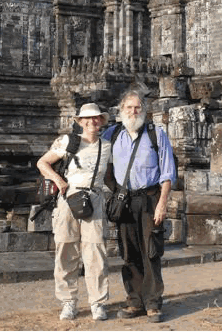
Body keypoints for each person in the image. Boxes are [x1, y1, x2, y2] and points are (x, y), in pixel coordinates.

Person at [103, 90, 176, 323]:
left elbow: (167, 172)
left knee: (151, 251)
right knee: (129, 251)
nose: (133, 111)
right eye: (129, 107)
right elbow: (94, 153)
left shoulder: (156, 134)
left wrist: (162, 203)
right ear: (121, 110)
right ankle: (134, 300)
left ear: (144, 110)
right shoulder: (112, 135)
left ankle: (153, 302)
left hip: (150, 199)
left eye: (137, 107)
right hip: (125, 201)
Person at [36, 103, 112, 321]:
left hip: (95, 198)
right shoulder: (67, 141)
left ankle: (97, 303)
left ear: (101, 121)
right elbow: (42, 163)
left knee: (96, 252)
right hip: (68, 197)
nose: (92, 122)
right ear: (80, 122)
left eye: (96, 118)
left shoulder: (107, 146)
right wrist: (59, 180)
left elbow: (109, 176)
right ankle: (68, 301)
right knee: (66, 250)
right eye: (87, 119)